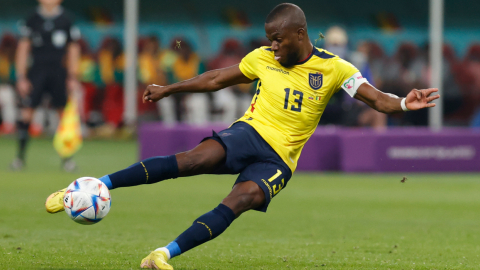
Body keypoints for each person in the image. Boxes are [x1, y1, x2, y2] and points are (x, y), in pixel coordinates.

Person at [44, 3, 439, 269]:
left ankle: (161, 255)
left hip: (279, 160)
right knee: (192, 161)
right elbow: (216, 78)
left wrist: (405, 103)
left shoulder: (335, 69)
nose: (272, 45)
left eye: (278, 39)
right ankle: (89, 186)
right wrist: (170, 88)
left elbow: (378, 100)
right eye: (269, 38)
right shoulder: (262, 59)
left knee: (239, 200)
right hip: (248, 133)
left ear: (300, 35)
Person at [11, 0, 80, 170]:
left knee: (63, 116)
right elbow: (23, 48)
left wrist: (72, 76)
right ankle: (19, 158)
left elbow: (73, 49)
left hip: (59, 73)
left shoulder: (66, 19)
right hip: (37, 72)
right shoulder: (32, 19)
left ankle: (67, 159)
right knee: (27, 112)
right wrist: (21, 77)